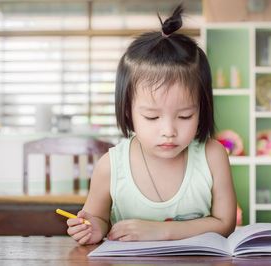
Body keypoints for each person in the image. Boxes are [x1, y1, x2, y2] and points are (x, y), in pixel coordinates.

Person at [66, 4, 236, 245]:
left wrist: (160, 231)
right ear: (128, 110)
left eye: (185, 116)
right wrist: (93, 227)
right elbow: (99, 219)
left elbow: (225, 223)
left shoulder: (212, 155)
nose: (168, 131)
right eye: (152, 117)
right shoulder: (111, 166)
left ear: (203, 108)